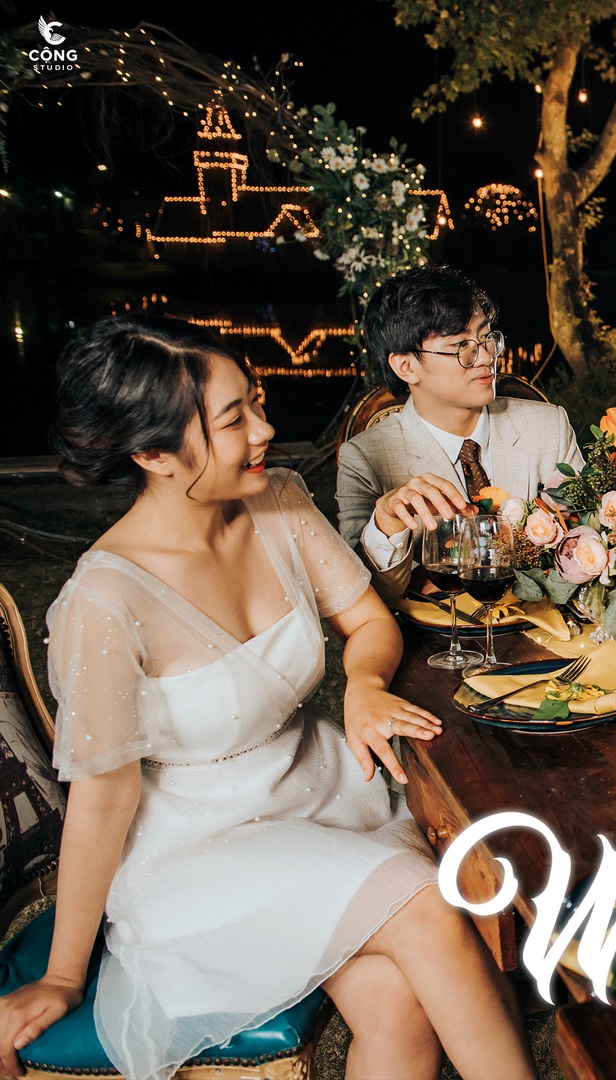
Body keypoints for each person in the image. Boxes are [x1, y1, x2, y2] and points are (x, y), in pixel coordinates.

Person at [0, 316, 535, 1080]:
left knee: (394, 1002)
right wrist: (62, 972)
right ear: (152, 453)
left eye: (255, 402)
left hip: (325, 790)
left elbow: (368, 621)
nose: (264, 429)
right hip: (202, 846)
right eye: (233, 419)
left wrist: (364, 686)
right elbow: (102, 799)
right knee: (425, 901)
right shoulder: (103, 600)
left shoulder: (278, 498)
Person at [337, 266, 582, 600]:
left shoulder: (548, 426)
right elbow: (358, 594)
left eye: (486, 338)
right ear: (406, 367)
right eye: (460, 346)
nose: (485, 357)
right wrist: (386, 524)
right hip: (436, 630)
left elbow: (586, 536)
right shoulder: (365, 457)